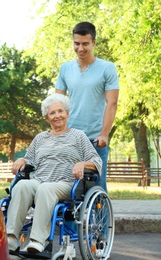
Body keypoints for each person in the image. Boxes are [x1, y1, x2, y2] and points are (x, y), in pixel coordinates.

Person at [6, 93, 102, 253]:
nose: (57, 115)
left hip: (66, 184)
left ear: (67, 113)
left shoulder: (78, 136)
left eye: (60, 111)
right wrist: (22, 160)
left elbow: (96, 162)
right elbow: (30, 160)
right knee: (22, 185)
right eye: (52, 113)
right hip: (40, 179)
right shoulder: (40, 138)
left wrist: (82, 163)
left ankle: (38, 240)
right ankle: (11, 238)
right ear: (47, 118)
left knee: (46, 189)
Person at [55, 21, 119, 192]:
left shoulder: (107, 68)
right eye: (77, 43)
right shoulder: (65, 69)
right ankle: (70, 220)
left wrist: (104, 134)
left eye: (85, 44)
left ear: (93, 43)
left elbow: (112, 102)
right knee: (68, 187)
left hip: (95, 139)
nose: (80, 48)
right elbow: (57, 103)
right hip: (70, 137)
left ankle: (101, 219)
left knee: (96, 188)